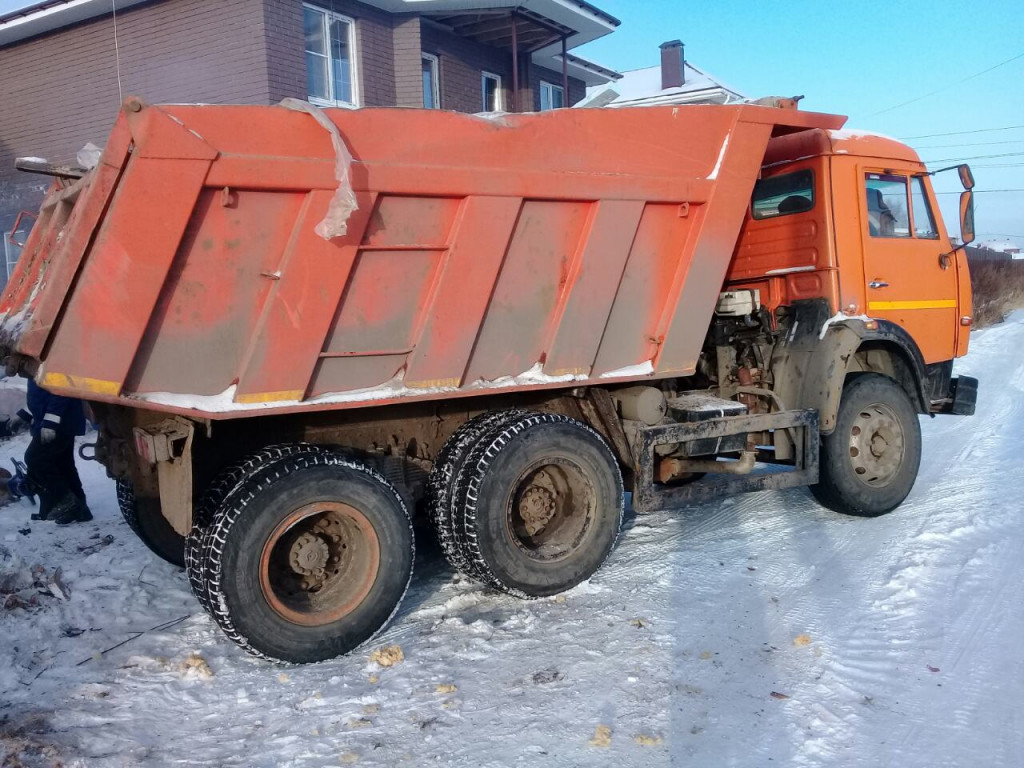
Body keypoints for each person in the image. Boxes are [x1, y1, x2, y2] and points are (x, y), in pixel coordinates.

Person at [19, 378, 91, 524]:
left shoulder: (49, 360)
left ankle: (67, 500)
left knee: (35, 458)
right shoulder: (36, 362)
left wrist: (50, 423)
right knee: (63, 464)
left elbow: (61, 391)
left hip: (59, 422)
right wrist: (25, 416)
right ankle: (81, 509)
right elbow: (39, 394)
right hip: (58, 421)